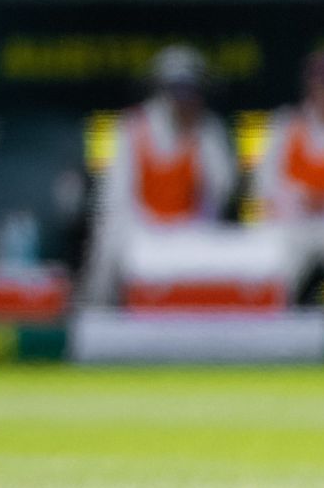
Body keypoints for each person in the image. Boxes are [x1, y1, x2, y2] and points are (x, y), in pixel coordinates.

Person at [82, 46, 237, 305]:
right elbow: (115, 197)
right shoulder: (131, 127)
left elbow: (223, 188)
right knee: (107, 241)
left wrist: (197, 138)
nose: (184, 99)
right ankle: (96, 313)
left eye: (190, 90)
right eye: (177, 90)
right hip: (141, 226)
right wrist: (148, 231)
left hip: (191, 229)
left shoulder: (208, 130)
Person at [257, 50, 324, 309]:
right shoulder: (286, 124)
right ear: (310, 85)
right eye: (322, 83)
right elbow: (265, 182)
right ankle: (272, 326)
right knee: (275, 266)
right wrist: (302, 197)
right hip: (294, 225)